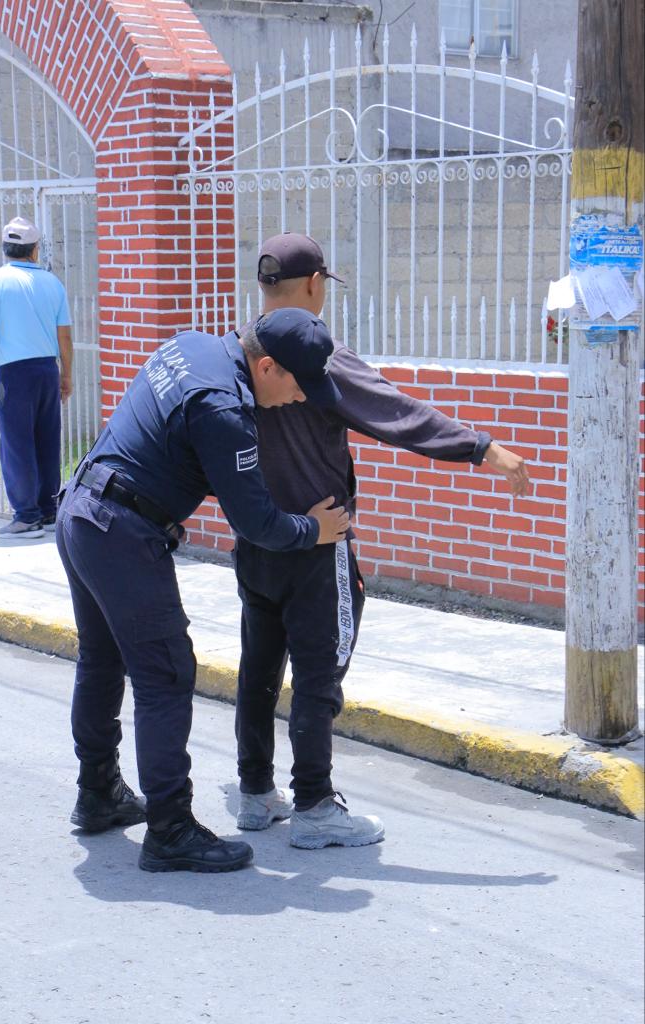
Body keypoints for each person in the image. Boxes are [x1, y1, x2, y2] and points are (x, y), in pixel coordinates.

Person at [227, 233, 530, 850]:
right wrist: (479, 447)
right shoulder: (319, 359)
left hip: (258, 543)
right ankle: (313, 805)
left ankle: (256, 794)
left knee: (258, 666)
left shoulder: (242, 354)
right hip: (318, 547)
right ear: (315, 286)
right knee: (318, 675)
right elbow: (398, 413)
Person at [55, 308, 350, 874]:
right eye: (296, 385)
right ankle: (170, 827)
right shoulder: (222, 408)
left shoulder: (193, 345)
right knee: (166, 675)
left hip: (83, 511)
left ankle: (98, 792)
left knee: (101, 659)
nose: (300, 398)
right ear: (265, 366)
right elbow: (257, 522)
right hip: (122, 532)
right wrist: (316, 529)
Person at [0, 216, 73, 538]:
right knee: (47, 440)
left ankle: (26, 516)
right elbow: (65, 337)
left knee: (17, 443)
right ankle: (48, 510)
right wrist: (66, 375)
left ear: (6, 249)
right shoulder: (52, 283)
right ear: (34, 250)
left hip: (13, 373)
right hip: (47, 370)